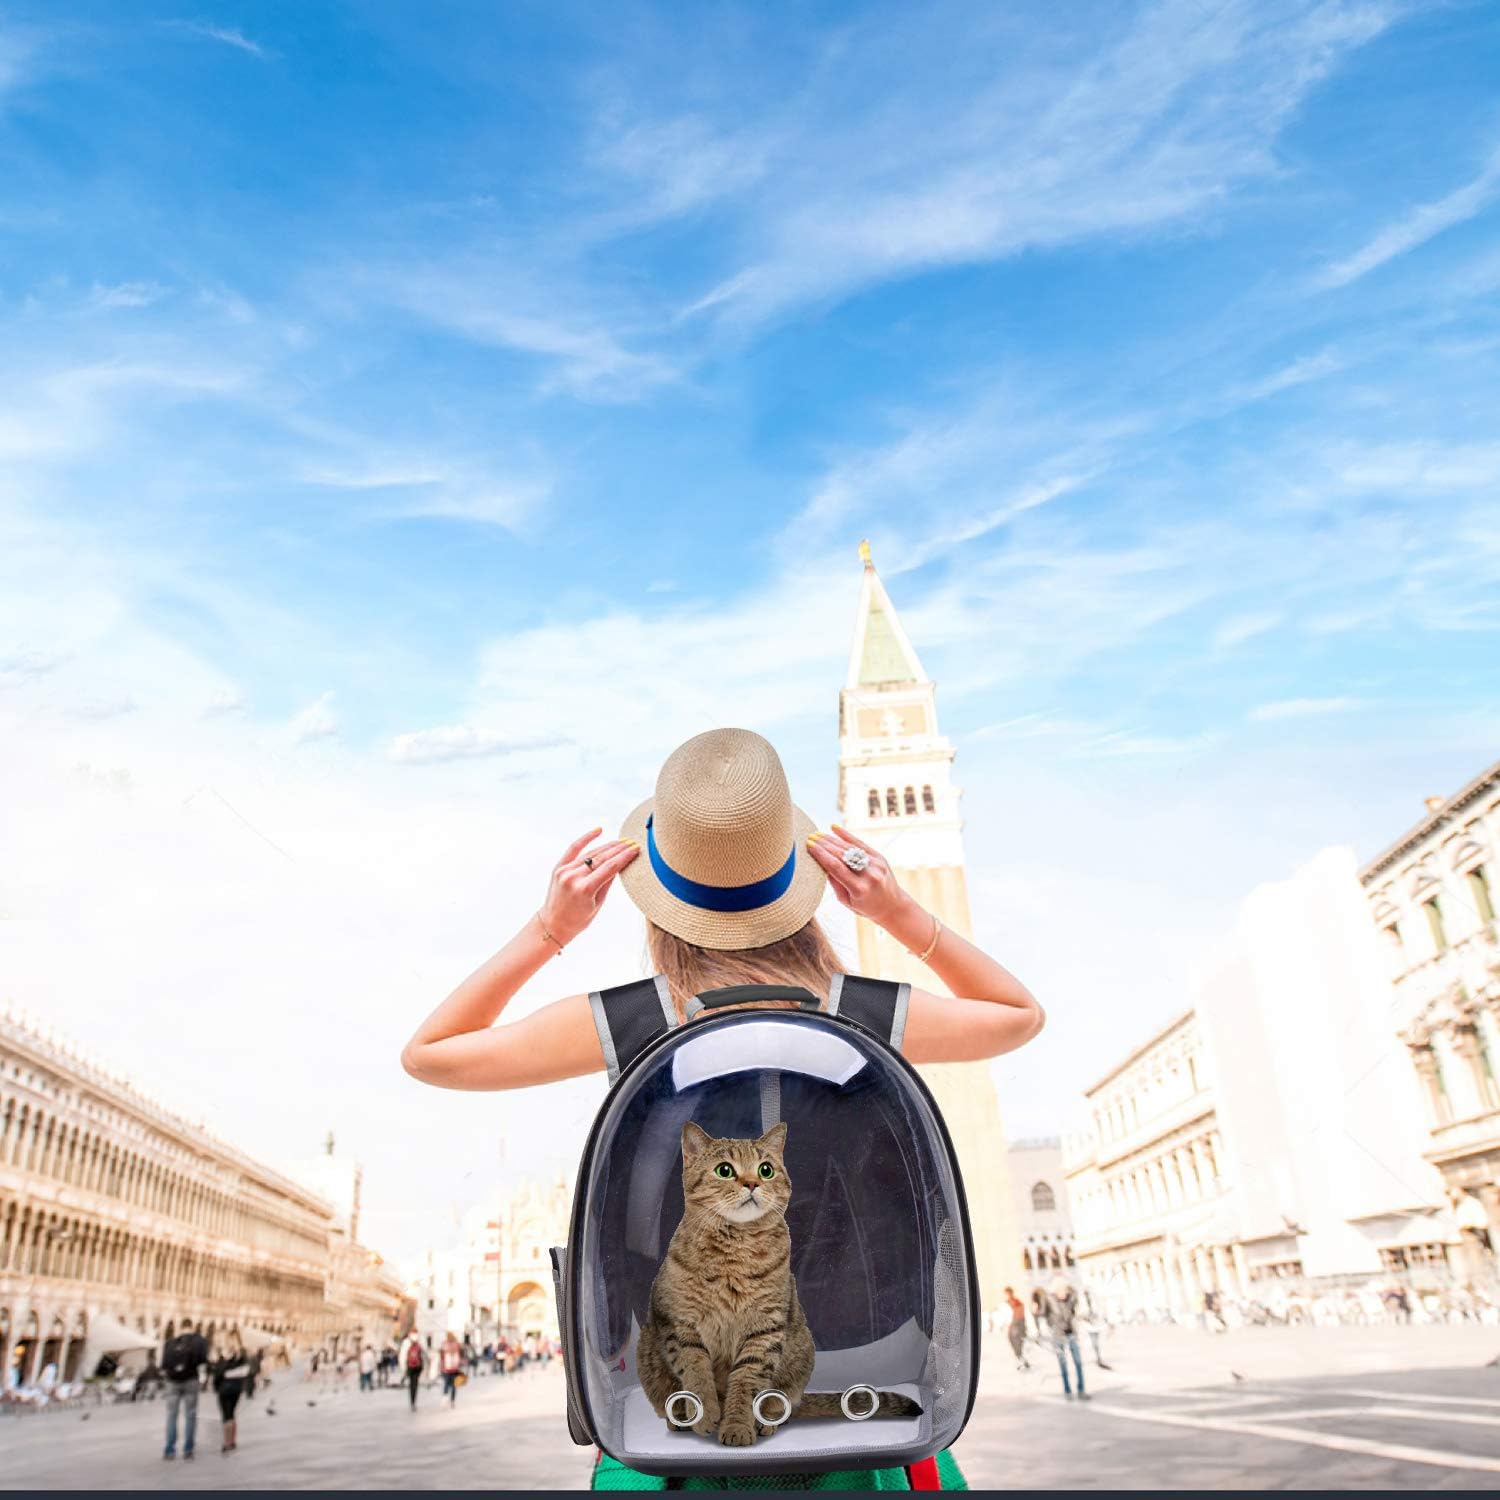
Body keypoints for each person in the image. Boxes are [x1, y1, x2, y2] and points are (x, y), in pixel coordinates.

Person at [401, 727, 1045, 1490]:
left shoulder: (633, 1020)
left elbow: (430, 1053)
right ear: (798, 888)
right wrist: (898, 912)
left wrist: (552, 930)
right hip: (866, 1421)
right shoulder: (863, 1012)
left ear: (660, 903)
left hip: (674, 1426)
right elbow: (1019, 1015)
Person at [161, 1321, 209, 1460]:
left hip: (172, 1382)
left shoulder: (170, 1343)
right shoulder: (199, 1341)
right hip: (191, 1380)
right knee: (190, 1415)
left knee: (171, 1416)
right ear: (191, 1327)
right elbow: (203, 1361)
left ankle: (169, 1450)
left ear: (181, 1328)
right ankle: (188, 1450)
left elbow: (164, 1365)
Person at [1046, 1275, 1088, 1401]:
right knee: (1063, 1365)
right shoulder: (1050, 1301)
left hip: (1071, 1334)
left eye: (1064, 1288)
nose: (1063, 1291)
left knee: (1078, 1363)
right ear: (1055, 1290)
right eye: (1060, 1289)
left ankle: (1081, 1390)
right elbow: (1043, 1314)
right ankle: (1067, 1391)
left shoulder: (1071, 1298)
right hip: (1058, 1336)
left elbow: (1076, 1304)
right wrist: (1054, 1324)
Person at [210, 1334, 254, 1455]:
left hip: (224, 1389)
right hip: (236, 1389)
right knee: (232, 1413)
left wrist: (218, 1381)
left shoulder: (222, 1358)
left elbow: (217, 1375)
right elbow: (246, 1371)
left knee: (226, 1416)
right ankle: (233, 1441)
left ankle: (227, 1443)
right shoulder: (241, 1356)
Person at [1003, 1285, 1030, 1371]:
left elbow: (1019, 1315)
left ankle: (1021, 1360)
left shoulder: (1016, 1301)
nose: (1006, 1295)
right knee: (1014, 1342)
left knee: (1017, 1343)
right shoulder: (1009, 1302)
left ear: (1010, 1293)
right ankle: (1021, 1360)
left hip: (1017, 1325)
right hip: (1015, 1326)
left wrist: (1015, 1325)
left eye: (1007, 1293)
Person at [400, 1331, 426, 1411]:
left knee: (411, 1385)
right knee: (415, 1384)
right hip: (418, 1367)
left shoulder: (406, 1342)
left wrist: (403, 1369)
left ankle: (412, 1402)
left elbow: (402, 1357)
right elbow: (424, 1355)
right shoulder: (420, 1341)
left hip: (410, 1367)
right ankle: (414, 1402)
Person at [438, 1332, 464, 1405]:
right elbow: (461, 1353)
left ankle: (446, 1398)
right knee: (453, 1385)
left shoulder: (445, 1344)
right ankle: (452, 1400)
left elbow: (442, 1355)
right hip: (454, 1368)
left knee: (447, 1383)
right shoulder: (456, 1344)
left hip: (448, 1368)